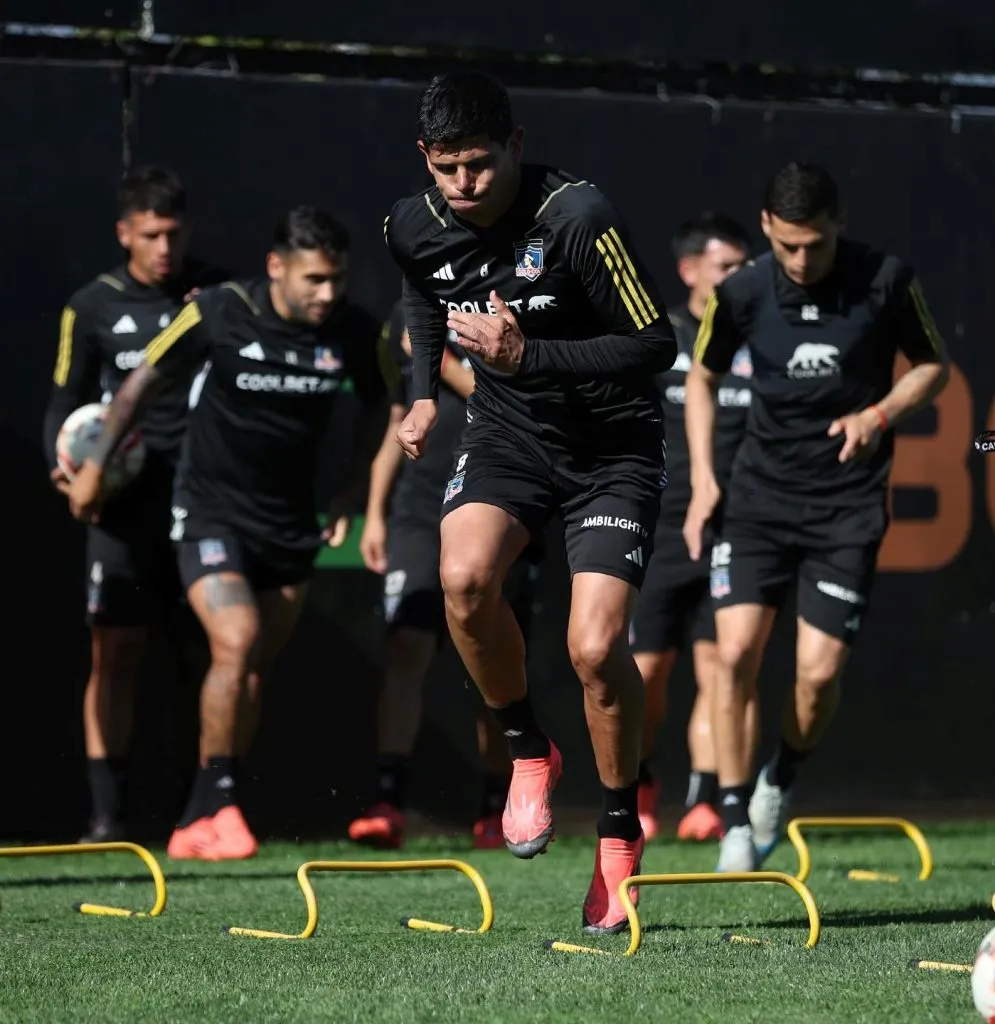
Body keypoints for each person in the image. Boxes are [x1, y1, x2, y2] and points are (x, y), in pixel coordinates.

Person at [384, 71, 677, 935]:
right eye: (446, 169)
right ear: (424, 161)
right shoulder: (412, 221)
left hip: (612, 447)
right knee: (464, 581)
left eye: (479, 164)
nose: (464, 185)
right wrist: (423, 392)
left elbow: (654, 343)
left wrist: (525, 360)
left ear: (514, 146)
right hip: (508, 436)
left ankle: (618, 835)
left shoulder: (576, 216)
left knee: (593, 650)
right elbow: (420, 292)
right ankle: (527, 749)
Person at [66, 206, 388, 861]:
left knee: (249, 674)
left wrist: (354, 494)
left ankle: (201, 814)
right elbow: (136, 391)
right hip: (209, 511)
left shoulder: (353, 331)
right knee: (234, 641)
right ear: (277, 268)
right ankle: (219, 804)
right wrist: (94, 468)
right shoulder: (218, 309)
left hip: (290, 526)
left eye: (337, 280)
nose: (327, 294)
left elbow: (387, 405)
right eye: (314, 280)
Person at [683, 162, 949, 872]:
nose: (802, 261)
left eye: (816, 245)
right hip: (757, 501)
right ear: (767, 228)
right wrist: (706, 482)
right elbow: (703, 381)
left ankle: (781, 776)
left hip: (846, 505)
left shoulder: (885, 278)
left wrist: (879, 413)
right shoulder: (738, 292)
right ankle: (734, 814)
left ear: (840, 224)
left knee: (815, 677)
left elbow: (932, 367)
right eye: (788, 246)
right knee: (733, 654)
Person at [44, 167, 227, 843]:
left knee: (209, 653)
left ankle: (208, 807)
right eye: (150, 235)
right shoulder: (90, 305)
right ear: (125, 233)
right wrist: (67, 475)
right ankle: (106, 815)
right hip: (123, 507)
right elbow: (65, 402)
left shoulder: (216, 294)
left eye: (174, 234)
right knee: (113, 654)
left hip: (202, 500)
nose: (164, 248)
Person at [349, 302, 540, 850]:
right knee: (406, 644)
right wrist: (377, 511)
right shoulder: (403, 322)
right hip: (419, 507)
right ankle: (388, 798)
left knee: (492, 661)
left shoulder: (513, 310)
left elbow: (510, 398)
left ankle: (496, 804)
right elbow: (397, 415)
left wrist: (449, 360)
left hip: (497, 502)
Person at [630, 213, 760, 843]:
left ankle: (706, 800)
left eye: (744, 265)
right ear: (689, 271)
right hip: (660, 530)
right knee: (646, 674)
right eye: (726, 266)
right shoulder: (660, 339)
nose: (739, 276)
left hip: (738, 532)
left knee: (724, 668)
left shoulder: (762, 339)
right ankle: (640, 781)